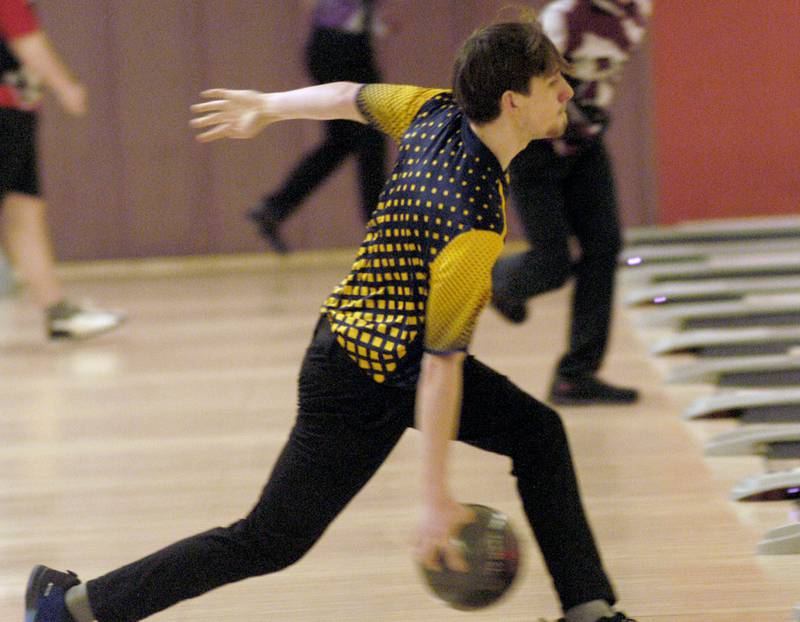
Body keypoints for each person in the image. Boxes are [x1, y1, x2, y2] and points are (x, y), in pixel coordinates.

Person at [25, 15, 636, 622]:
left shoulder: (436, 112)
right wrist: (434, 501)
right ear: (512, 101)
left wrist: (268, 106)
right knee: (267, 540)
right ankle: (71, 611)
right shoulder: (471, 226)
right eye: (554, 82)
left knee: (539, 435)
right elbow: (439, 374)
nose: (566, 91)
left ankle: (588, 609)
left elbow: (346, 98)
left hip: (383, 351)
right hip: (355, 378)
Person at [491, 0, 651, 406]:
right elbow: (523, 88)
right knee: (552, 263)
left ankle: (576, 376)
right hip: (534, 147)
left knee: (604, 246)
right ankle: (490, 280)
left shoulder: (639, 9)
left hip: (584, 143)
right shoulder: (563, 17)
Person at [0, 0, 124, 339]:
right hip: (6, 112)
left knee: (24, 210)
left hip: (17, 108)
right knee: (22, 211)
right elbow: (25, 37)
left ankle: (58, 313)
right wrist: (64, 85)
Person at [248, 0, 388, 253]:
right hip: (343, 48)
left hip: (330, 44)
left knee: (342, 141)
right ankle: (384, 233)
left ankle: (276, 207)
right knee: (371, 138)